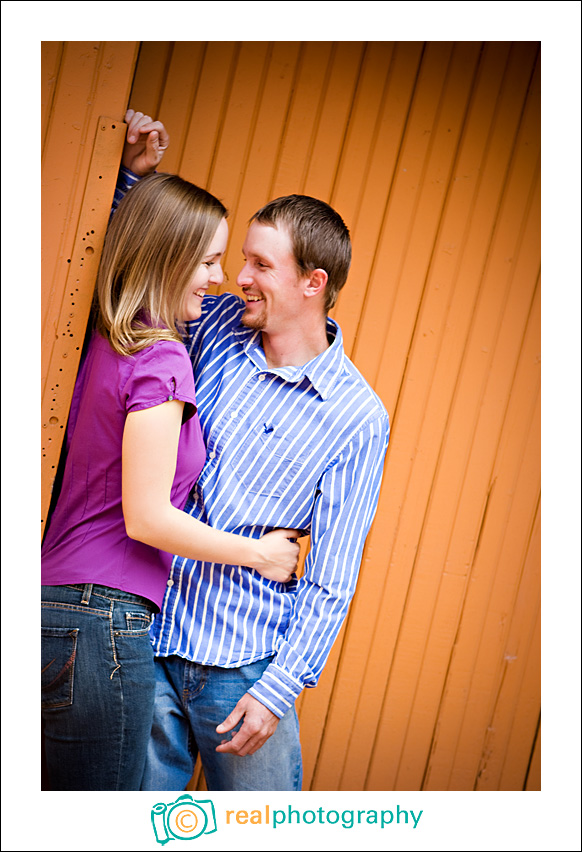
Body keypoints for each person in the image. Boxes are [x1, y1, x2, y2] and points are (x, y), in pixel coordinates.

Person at [113, 117, 390, 792]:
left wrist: (279, 690)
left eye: (262, 266)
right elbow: (143, 264)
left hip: (243, 669)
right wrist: (131, 177)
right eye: (242, 258)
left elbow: (331, 573)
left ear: (311, 284)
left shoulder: (357, 416)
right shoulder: (214, 329)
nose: (238, 276)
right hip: (149, 638)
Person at [41, 112, 300, 791]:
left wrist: (133, 179)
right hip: (103, 625)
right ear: (168, 257)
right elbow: (148, 517)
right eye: (209, 260)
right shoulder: (161, 360)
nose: (217, 278)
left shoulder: (107, 336)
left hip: (50, 604)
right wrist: (261, 554)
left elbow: (142, 242)